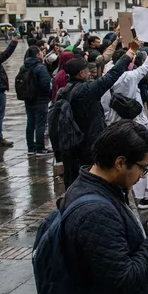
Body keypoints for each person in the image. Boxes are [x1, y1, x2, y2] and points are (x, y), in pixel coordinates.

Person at [60, 121, 148, 294]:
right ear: (119, 163)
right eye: (142, 169)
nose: (143, 177)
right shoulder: (95, 212)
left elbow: (108, 243)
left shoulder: (93, 187)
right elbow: (123, 279)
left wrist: (145, 229)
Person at [59, 40, 137, 188]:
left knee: (75, 180)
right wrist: (130, 53)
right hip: (89, 143)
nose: (90, 72)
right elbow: (112, 75)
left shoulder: (64, 90)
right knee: (93, 180)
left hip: (71, 143)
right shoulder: (87, 91)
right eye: (87, 70)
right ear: (82, 73)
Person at [101, 34, 148, 209]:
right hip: (134, 125)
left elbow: (104, 107)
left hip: (113, 125)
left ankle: (124, 193)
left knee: (122, 162)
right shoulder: (129, 77)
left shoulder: (106, 77)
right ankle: (144, 196)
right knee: (142, 159)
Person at [21, 46, 53, 156]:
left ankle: (31, 148)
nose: (42, 53)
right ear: (37, 55)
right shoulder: (40, 67)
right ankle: (40, 148)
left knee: (30, 123)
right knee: (40, 124)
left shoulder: (24, 67)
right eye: (40, 52)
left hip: (28, 99)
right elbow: (46, 85)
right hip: (40, 99)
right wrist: (48, 94)